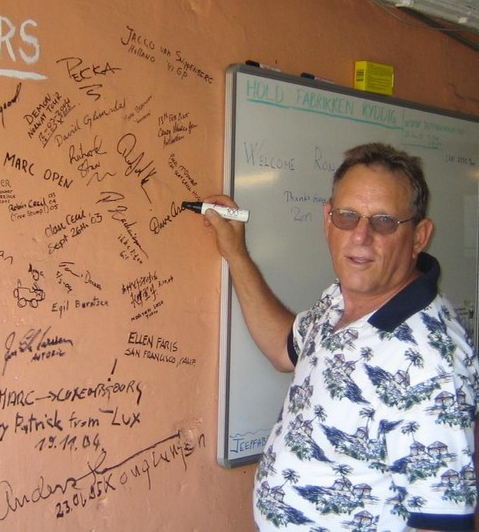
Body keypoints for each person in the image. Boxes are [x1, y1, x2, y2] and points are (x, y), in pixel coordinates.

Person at [203, 142, 479, 531]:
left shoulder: (430, 359)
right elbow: (284, 347)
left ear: (420, 236)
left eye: (384, 221)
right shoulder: (342, 298)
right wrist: (236, 254)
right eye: (348, 216)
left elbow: (442, 522)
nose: (361, 236)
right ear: (328, 221)